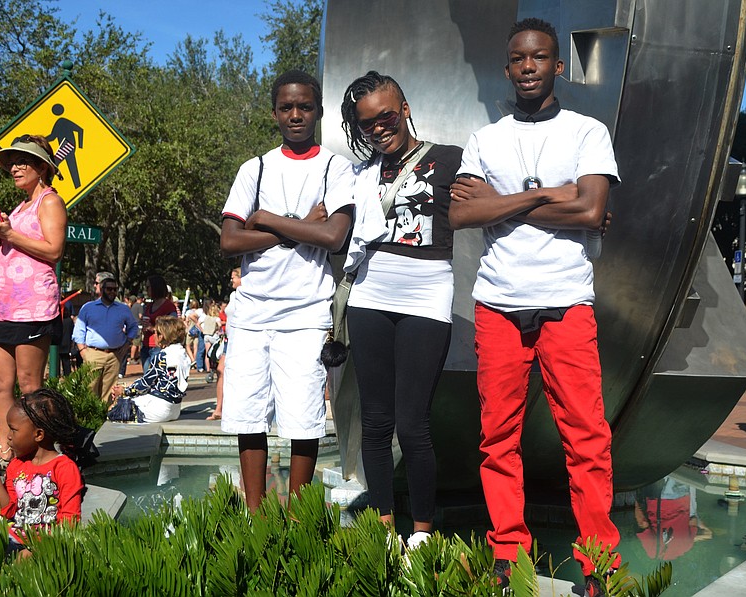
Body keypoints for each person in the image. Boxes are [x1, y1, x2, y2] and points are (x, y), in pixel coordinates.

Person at [449, 18, 621, 594]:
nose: (528, 67)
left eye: (540, 57)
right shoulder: (485, 139)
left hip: (566, 301)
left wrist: (502, 203)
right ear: (507, 68)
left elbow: (591, 210)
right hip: (498, 303)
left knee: (587, 437)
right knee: (498, 438)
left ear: (558, 66)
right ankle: (508, 552)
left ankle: (599, 563)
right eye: (519, 59)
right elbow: (461, 214)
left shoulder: (587, 132)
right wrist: (549, 194)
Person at [220, 70, 354, 511]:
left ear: (319, 111)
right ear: (274, 112)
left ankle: (299, 519)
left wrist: (265, 219)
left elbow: (333, 236)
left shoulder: (334, 168)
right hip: (252, 312)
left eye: (305, 107)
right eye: (286, 107)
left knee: (303, 420)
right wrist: (300, 227)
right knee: (248, 416)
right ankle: (255, 515)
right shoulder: (254, 168)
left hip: (306, 310)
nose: (295, 115)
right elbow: (230, 241)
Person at [340, 71, 461, 548]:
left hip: (427, 293)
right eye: (367, 123)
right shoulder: (361, 174)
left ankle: (422, 535)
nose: (378, 129)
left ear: (405, 110)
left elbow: (492, 202)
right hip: (370, 294)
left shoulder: (449, 159)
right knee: (375, 420)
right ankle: (385, 529)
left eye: (387, 117)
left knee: (413, 422)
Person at [0, 135, 66, 455]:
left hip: (34, 308)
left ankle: (37, 454)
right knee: (0, 385)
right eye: (12, 164)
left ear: (41, 167)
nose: (15, 168)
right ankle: (9, 453)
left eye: (22, 162)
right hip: (4, 307)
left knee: (30, 387)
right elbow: (3, 256)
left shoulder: (50, 201)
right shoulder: (19, 209)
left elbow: (54, 250)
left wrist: (11, 234)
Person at [0, 389, 86, 558]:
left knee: (23, 558)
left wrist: (42, 550)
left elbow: (70, 521)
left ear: (38, 434)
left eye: (13, 430)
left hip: (48, 546)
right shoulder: (16, 465)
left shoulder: (64, 468)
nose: (8, 437)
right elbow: (7, 510)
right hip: (13, 540)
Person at [72, 275, 139, 404]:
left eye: (115, 289)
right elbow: (79, 330)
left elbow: (133, 326)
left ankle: (106, 415)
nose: (112, 292)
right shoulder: (88, 307)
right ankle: (90, 415)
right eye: (109, 289)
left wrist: (127, 344)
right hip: (93, 353)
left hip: (114, 355)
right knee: (90, 389)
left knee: (109, 393)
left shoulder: (123, 309)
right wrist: (82, 350)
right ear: (102, 290)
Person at [111, 316, 191, 423]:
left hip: (157, 409)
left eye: (156, 333)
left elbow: (145, 383)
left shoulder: (163, 356)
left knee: (114, 410)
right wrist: (126, 387)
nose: (154, 336)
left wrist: (124, 391)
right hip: (175, 409)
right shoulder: (183, 354)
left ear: (161, 336)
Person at [207, 268, 241, 421]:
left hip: (241, 340)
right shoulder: (234, 295)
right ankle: (219, 409)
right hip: (229, 339)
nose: (231, 280)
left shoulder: (249, 294)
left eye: (234, 277)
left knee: (234, 372)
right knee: (221, 370)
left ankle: (231, 408)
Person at [141, 274, 178, 372]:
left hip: (159, 346)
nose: (146, 290)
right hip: (146, 345)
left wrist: (153, 328)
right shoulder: (149, 305)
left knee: (154, 375)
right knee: (147, 375)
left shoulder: (168, 306)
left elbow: (173, 327)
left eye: (148, 287)